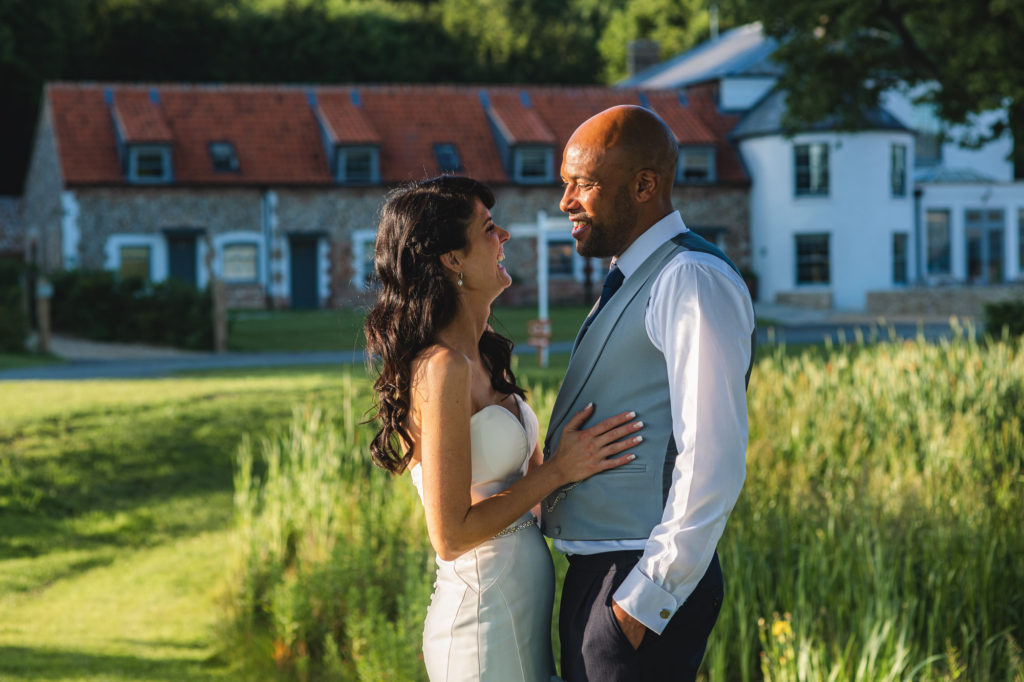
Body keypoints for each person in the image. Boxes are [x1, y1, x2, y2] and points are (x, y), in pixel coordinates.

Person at [364, 175, 645, 682]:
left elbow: (532, 489)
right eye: (489, 228)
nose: (505, 238)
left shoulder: (484, 350)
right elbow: (450, 536)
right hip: (481, 623)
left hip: (519, 613)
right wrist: (559, 469)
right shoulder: (441, 367)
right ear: (451, 259)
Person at [540, 105, 755, 681]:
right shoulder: (635, 275)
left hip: (637, 578)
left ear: (644, 185)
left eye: (583, 184)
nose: (566, 202)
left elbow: (713, 455)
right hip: (602, 575)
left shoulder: (690, 277)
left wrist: (641, 602)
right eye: (565, 183)